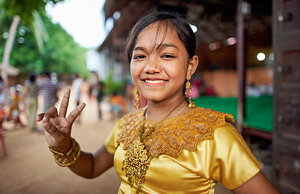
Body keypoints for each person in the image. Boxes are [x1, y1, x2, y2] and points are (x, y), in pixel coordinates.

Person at [37, 12, 279, 194]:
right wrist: (63, 144)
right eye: (140, 56)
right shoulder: (126, 125)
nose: (151, 67)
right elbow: (90, 167)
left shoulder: (214, 135)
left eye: (167, 55)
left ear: (190, 66)